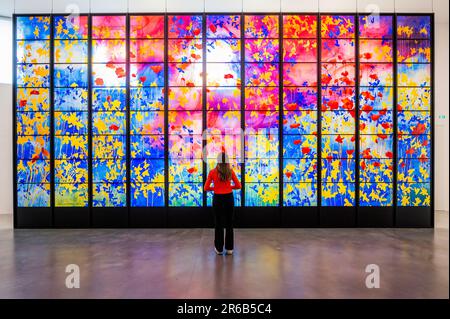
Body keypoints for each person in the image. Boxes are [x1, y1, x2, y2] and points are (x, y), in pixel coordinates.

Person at [204, 152, 241, 255]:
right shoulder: (230, 172)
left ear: (218, 160)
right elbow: (238, 186)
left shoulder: (212, 172)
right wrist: (229, 187)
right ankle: (230, 249)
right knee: (229, 223)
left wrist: (215, 188)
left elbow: (206, 188)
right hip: (229, 198)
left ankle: (219, 249)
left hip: (218, 199)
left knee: (218, 224)